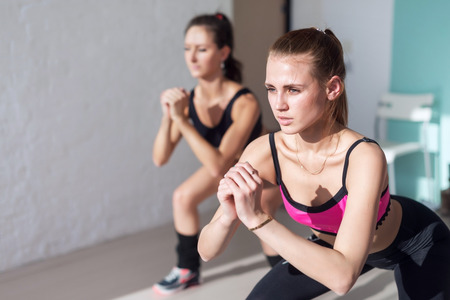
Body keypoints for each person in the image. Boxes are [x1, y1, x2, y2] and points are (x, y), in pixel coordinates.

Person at [198, 27, 450, 299]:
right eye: (272, 89)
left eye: (293, 89)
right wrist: (227, 215)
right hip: (337, 248)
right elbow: (207, 251)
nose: (279, 104)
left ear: (332, 88)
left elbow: (342, 279)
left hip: (416, 243)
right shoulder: (263, 152)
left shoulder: (363, 156)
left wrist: (258, 219)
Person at [152, 12, 282, 295]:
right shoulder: (187, 103)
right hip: (229, 169)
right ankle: (187, 271)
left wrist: (183, 121)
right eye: (187, 49)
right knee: (182, 197)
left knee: (262, 221)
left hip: (264, 168)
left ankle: (289, 281)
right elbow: (159, 159)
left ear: (223, 52)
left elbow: (217, 165)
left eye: (202, 49)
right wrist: (168, 117)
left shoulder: (244, 101)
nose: (192, 57)